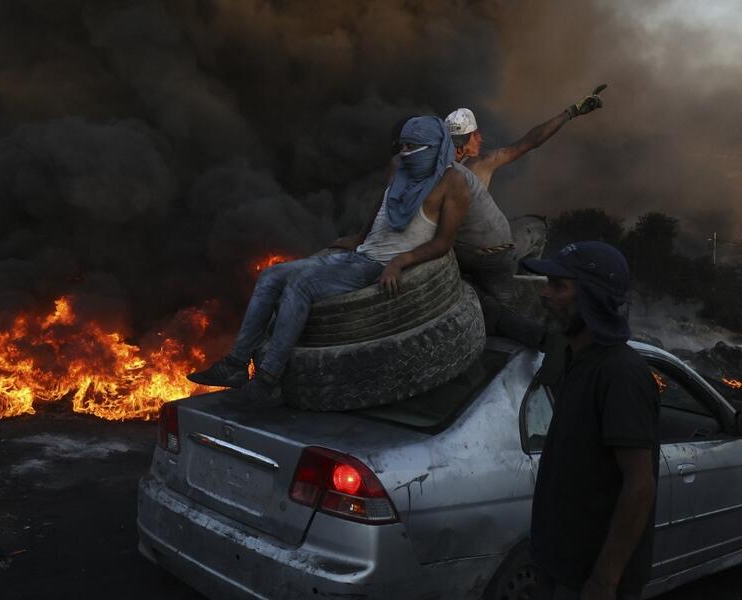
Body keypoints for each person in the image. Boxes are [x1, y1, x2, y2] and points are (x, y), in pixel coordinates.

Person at [187, 116, 470, 407]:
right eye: (403, 146)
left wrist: (400, 262)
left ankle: (268, 379)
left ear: (434, 147)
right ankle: (235, 364)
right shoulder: (400, 165)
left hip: (377, 266)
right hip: (360, 254)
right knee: (271, 276)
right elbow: (383, 203)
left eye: (413, 147)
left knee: (301, 286)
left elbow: (442, 243)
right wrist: (359, 237)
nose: (405, 153)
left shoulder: (453, 183)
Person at [488, 241, 660, 600]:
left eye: (558, 285)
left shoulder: (621, 374)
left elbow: (639, 486)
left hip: (588, 578)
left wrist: (604, 581)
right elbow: (527, 330)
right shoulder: (572, 355)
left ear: (593, 299)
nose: (544, 294)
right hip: (558, 566)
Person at [444, 86, 605, 304]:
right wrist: (572, 112)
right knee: (537, 228)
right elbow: (530, 141)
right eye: (475, 136)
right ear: (463, 142)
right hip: (484, 256)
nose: (480, 140)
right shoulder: (480, 164)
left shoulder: (435, 169)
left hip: (449, 251)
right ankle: (530, 295)